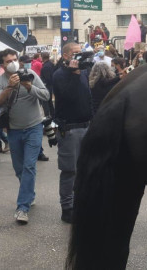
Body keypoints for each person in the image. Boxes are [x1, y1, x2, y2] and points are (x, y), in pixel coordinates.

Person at [0, 49, 50, 224]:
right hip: (14, 130)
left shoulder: (29, 74)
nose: (14, 63)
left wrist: (29, 87)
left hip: (34, 127)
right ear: (2, 65)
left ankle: (22, 208)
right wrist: (9, 87)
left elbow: (46, 95)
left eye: (15, 59)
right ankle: (29, 194)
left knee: (29, 166)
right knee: (19, 169)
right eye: (9, 61)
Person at [52, 42, 93, 224]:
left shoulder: (84, 72)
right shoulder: (59, 75)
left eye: (81, 53)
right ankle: (67, 207)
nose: (80, 56)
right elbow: (67, 96)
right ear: (67, 56)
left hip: (87, 126)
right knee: (70, 170)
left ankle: (82, 203)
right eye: (76, 53)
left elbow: (87, 97)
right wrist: (74, 74)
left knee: (85, 169)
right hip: (69, 128)